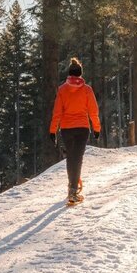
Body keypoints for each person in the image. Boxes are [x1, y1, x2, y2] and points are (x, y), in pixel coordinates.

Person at [48, 57, 101, 205]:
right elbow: (93, 111)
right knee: (76, 158)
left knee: (72, 158)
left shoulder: (62, 90)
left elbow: (57, 112)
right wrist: (97, 128)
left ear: (70, 74)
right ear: (80, 74)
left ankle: (72, 187)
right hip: (83, 129)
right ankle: (72, 190)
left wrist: (53, 131)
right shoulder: (87, 90)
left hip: (66, 129)